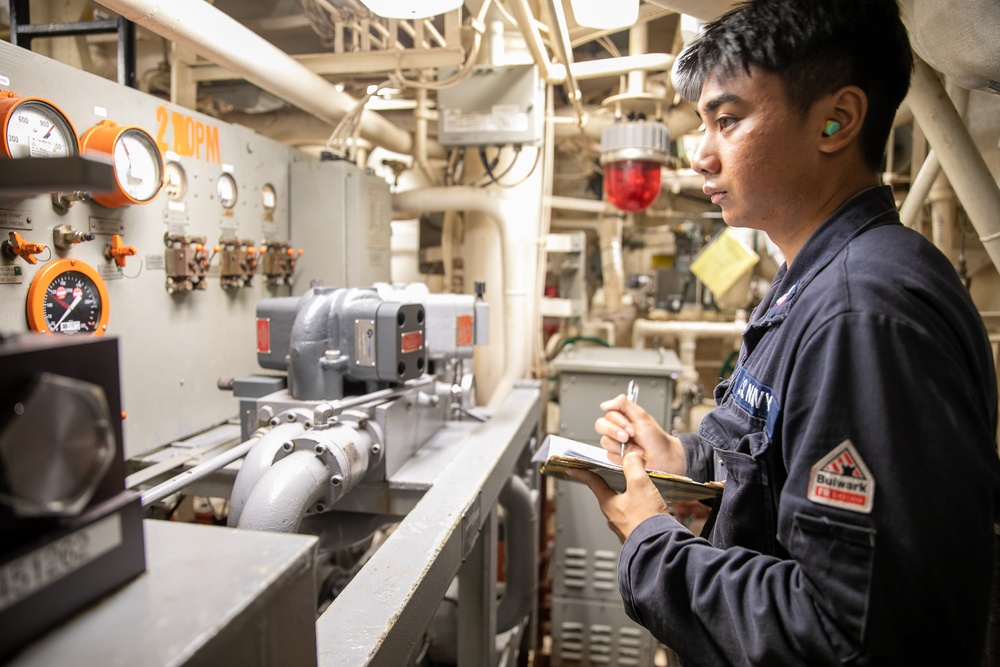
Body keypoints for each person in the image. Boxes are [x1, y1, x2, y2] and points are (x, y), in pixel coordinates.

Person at [568, 0, 1000, 664]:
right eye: (702, 124)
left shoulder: (862, 312)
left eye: (729, 120)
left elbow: (843, 634)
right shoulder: (815, 282)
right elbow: (781, 459)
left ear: (838, 119)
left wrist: (652, 541)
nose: (702, 156)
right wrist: (687, 463)